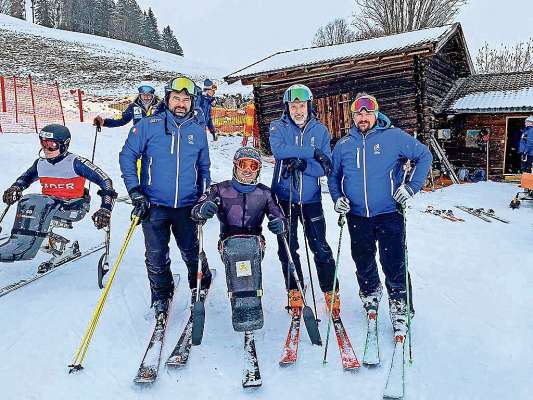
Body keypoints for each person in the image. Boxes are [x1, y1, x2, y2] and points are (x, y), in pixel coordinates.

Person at [327, 93, 432, 338]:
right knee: (363, 262)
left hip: (388, 214)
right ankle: (370, 294)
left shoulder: (393, 137)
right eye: (358, 113)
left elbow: (424, 155)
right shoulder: (343, 145)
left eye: (367, 112)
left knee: (394, 263)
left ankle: (400, 307)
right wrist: (337, 198)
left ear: (375, 114)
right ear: (353, 116)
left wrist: (412, 186)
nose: (362, 117)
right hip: (356, 216)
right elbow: (333, 177)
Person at [119, 75, 212, 319]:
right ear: (167, 99)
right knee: (156, 254)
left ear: (192, 102)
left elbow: (204, 168)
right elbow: (127, 156)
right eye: (176, 98)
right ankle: (161, 294)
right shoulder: (149, 125)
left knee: (191, 250)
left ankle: (199, 281)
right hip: (153, 204)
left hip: (187, 205)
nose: (181, 103)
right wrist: (135, 191)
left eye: (185, 99)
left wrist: (205, 197)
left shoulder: (197, 131)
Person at [191, 147, 287, 329]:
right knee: (237, 251)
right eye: (243, 164)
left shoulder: (264, 193)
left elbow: (279, 215)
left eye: (253, 165)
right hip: (228, 243)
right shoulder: (220, 189)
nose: (248, 169)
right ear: (235, 166)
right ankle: (241, 304)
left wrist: (280, 223)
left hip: (255, 244)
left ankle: (251, 305)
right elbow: (196, 211)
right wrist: (203, 209)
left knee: (247, 250)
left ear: (258, 170)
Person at [269, 84, 339, 314]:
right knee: (288, 247)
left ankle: (330, 290)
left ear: (309, 106)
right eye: (292, 106)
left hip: (311, 199)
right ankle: (294, 289)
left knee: (320, 246)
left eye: (301, 106)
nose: (297, 111)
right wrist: (312, 153)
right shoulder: (277, 126)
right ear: (286, 107)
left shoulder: (320, 130)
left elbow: (324, 168)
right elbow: (279, 151)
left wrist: (304, 164)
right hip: (284, 196)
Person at [1, 124, 116, 261]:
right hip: (49, 206)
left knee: (39, 202)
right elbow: (25, 179)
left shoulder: (75, 162)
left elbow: (106, 181)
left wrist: (105, 208)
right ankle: (20, 241)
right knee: (27, 201)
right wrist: (15, 188)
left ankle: (24, 247)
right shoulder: (41, 163)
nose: (46, 149)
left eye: (51, 145)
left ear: (64, 145)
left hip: (74, 207)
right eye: (43, 143)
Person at [93, 85, 160, 128]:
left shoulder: (160, 106)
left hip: (157, 137)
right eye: (144, 95)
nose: (146, 98)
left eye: (149, 95)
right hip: (139, 137)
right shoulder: (133, 107)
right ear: (140, 96)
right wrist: (104, 122)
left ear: (152, 96)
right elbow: (122, 120)